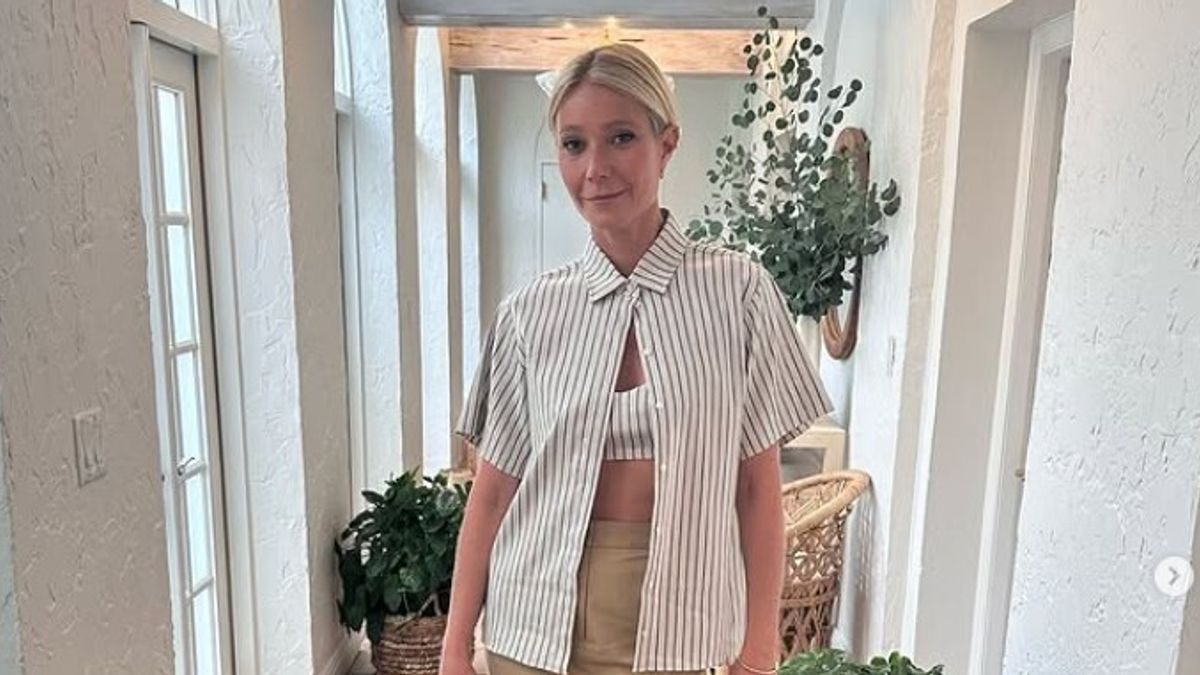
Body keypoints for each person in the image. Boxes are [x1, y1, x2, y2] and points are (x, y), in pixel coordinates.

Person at [438, 43, 831, 675]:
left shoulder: (740, 294)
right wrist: (455, 647)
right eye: (574, 144)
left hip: (683, 623)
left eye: (621, 137)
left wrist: (761, 646)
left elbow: (758, 488)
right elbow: (492, 494)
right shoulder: (528, 313)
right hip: (532, 619)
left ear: (666, 144)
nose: (595, 168)